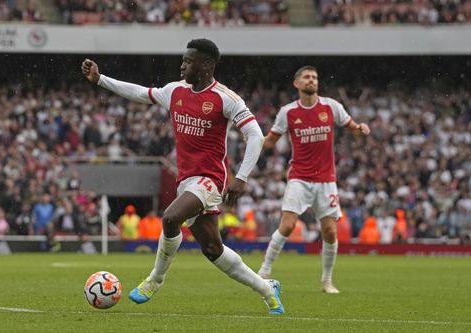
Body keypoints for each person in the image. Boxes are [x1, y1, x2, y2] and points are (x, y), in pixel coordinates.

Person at [81, 38, 284, 315]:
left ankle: (154, 280)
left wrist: (242, 177)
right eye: (184, 59)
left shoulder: (226, 98)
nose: (182, 64)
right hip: (186, 180)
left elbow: (255, 135)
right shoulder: (174, 91)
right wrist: (100, 79)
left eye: (189, 60)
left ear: (207, 65)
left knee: (170, 218)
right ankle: (266, 289)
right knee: (213, 249)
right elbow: (140, 92)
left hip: (211, 179)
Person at [258, 65, 370, 294]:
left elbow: (353, 130)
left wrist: (362, 130)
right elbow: (269, 141)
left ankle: (327, 281)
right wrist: (251, 142)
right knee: (287, 226)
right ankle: (263, 272)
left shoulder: (331, 106)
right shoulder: (288, 112)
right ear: (296, 83)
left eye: (315, 77)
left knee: (329, 231)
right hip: (299, 177)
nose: (312, 80)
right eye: (307, 77)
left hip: (326, 180)